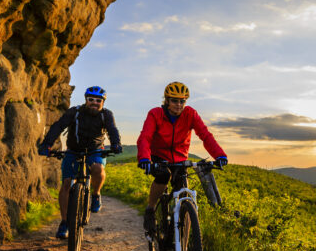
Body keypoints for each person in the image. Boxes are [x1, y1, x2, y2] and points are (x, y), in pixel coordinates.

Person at [136, 81, 227, 233]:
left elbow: (205, 135)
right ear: (167, 100)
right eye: (174, 101)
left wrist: (220, 155)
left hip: (180, 160)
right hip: (159, 157)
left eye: (182, 101)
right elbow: (145, 137)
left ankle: (183, 248)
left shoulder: (190, 114)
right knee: (163, 175)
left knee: (185, 196)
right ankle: (150, 210)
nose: (178, 105)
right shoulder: (155, 114)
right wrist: (145, 158)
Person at [38, 86, 122, 239]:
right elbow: (58, 126)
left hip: (95, 150)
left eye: (98, 100)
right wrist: (47, 144)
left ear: (103, 102)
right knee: (67, 183)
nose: (94, 103)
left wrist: (116, 144)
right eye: (91, 100)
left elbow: (112, 130)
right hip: (73, 150)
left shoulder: (106, 115)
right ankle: (64, 222)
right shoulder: (74, 112)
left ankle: (96, 194)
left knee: (97, 169)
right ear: (86, 100)